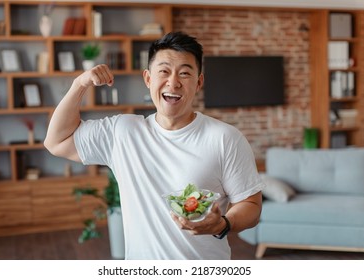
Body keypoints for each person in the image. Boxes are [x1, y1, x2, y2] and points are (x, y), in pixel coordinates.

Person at [44, 31, 264, 260]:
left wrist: (222, 224)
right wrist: (80, 84)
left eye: (185, 73)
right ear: (148, 79)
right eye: (164, 71)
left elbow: (250, 205)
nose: (173, 82)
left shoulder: (225, 138)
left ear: (199, 82)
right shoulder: (122, 132)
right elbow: (56, 142)